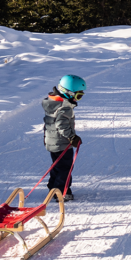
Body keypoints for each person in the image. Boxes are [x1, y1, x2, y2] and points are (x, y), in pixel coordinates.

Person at [43, 74, 86, 202]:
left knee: (57, 165)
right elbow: (61, 125)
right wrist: (72, 137)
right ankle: (62, 192)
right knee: (65, 168)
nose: (79, 99)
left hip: (52, 141)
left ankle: (53, 188)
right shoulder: (65, 107)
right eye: (78, 96)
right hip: (62, 143)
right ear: (68, 93)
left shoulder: (54, 102)